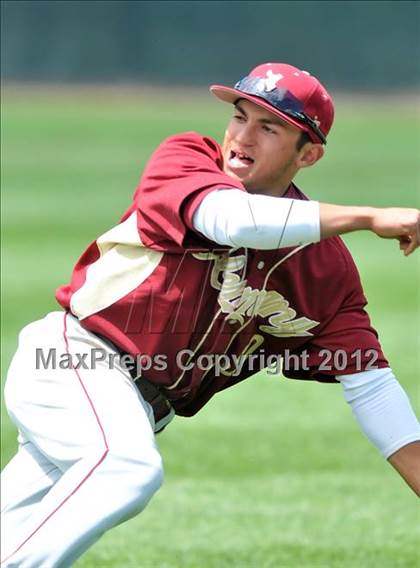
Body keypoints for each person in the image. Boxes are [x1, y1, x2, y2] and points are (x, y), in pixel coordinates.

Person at [1, 62, 419, 567]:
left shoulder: (325, 273)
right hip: (76, 363)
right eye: (240, 116)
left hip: (133, 410)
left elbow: (374, 390)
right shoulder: (185, 160)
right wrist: (368, 217)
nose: (242, 136)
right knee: (123, 468)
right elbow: (234, 222)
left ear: (308, 154)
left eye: (269, 128)